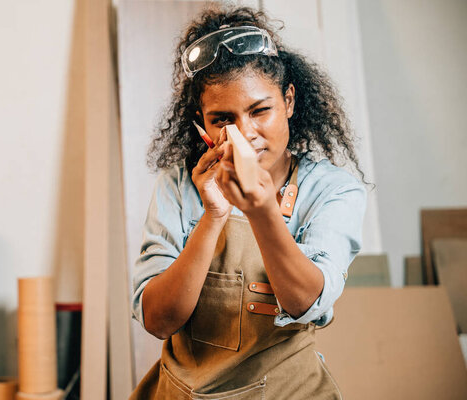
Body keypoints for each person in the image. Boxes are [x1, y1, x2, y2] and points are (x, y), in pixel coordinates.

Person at [130, 5, 366, 399]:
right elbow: (157, 320)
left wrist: (262, 210)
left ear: (288, 101)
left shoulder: (332, 190)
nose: (245, 134)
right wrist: (214, 215)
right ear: (201, 124)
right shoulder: (179, 186)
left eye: (260, 110)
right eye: (222, 119)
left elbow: (306, 300)